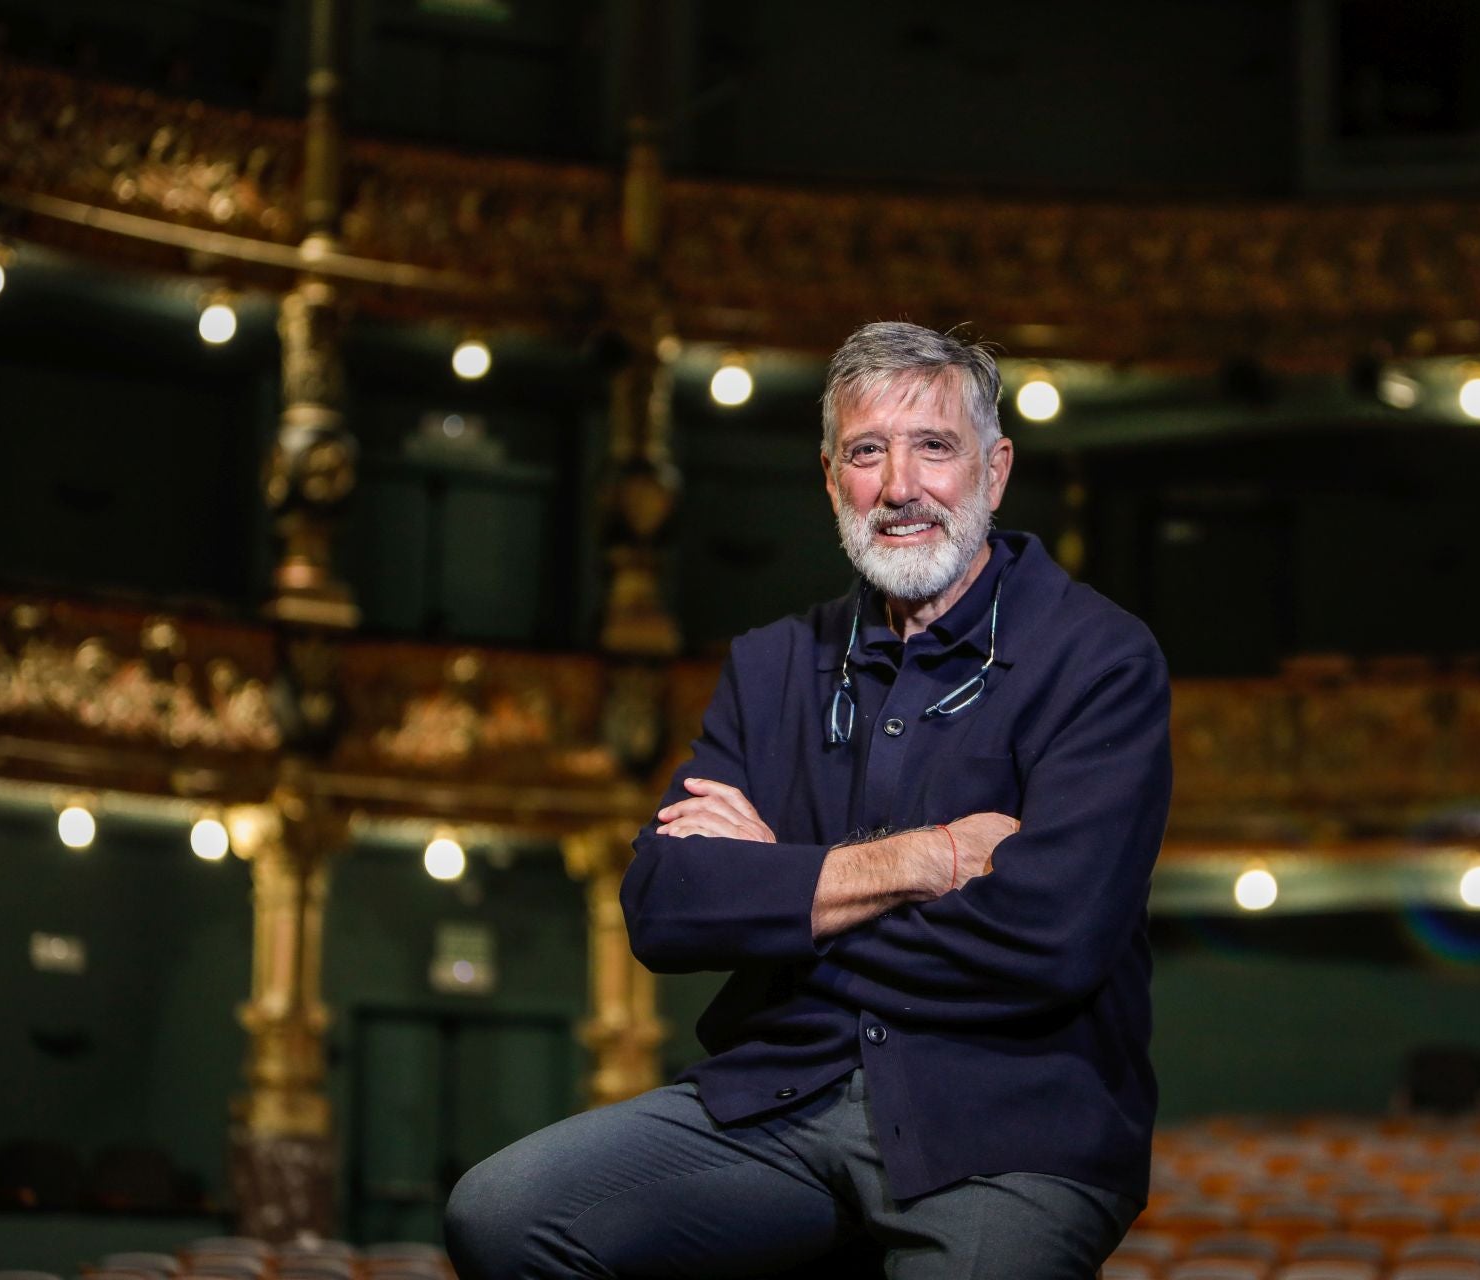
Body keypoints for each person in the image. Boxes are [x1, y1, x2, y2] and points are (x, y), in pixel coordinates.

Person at [445, 321, 1173, 1279]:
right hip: (779, 1101)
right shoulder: (772, 663)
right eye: (868, 452)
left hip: (1006, 1131)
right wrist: (921, 863)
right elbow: (664, 906)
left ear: (995, 471)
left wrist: (779, 900)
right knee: (504, 1214)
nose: (900, 487)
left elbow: (1051, 939)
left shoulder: (1101, 659)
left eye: (934, 448)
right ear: (832, 479)